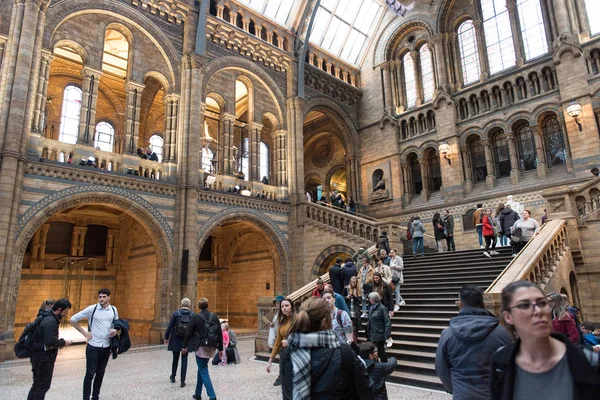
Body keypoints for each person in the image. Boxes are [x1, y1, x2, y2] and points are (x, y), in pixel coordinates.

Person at [490, 280, 600, 399]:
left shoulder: (590, 362)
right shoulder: (500, 363)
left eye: (542, 303)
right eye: (525, 305)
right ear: (508, 317)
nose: (538, 311)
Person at [279, 297, 373, 399]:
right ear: (325, 321)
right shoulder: (344, 353)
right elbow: (367, 390)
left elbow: (287, 393)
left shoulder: (287, 353)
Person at [434, 285, 511, 400]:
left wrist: (454, 388)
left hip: (462, 394)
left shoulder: (447, 334)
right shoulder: (502, 333)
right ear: (483, 305)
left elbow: (441, 368)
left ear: (460, 305)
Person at [70, 288, 119, 400]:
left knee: (100, 373)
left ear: (108, 297)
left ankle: (95, 396)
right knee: (90, 373)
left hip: (106, 346)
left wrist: (115, 330)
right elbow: (73, 319)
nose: (101, 299)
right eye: (100, 297)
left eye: (104, 297)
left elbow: (116, 323)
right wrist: (85, 333)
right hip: (93, 346)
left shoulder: (113, 309)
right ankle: (86, 397)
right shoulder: (92, 309)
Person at [28, 299, 72, 400]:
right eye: (65, 312)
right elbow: (50, 341)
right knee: (42, 386)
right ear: (60, 310)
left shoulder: (45, 316)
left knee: (37, 385)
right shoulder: (51, 321)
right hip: (44, 358)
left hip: (37, 356)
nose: (65, 315)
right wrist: (64, 342)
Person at [182, 297, 223, 400]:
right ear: (208, 305)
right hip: (211, 347)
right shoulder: (214, 316)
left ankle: (212, 396)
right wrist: (221, 349)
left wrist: (184, 347)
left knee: (203, 370)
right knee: (202, 367)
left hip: (200, 348)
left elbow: (188, 334)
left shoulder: (196, 318)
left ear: (198, 307)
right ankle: (198, 393)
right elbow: (220, 333)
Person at [164, 297, 193, 387]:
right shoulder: (192, 315)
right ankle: (182, 381)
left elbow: (170, 326)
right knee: (184, 359)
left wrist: (166, 337)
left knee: (175, 358)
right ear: (189, 305)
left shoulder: (176, 314)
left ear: (181, 304)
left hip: (175, 338)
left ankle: (173, 376)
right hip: (186, 340)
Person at [267, 298, 296, 386]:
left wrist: (290, 342)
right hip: (285, 353)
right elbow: (278, 341)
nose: (284, 308)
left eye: (286, 306)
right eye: (282, 306)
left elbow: (304, 337)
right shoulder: (282, 321)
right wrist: (270, 360)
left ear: (292, 307)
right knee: (286, 383)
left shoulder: (298, 319)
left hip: (295, 354)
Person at [367, 292, 392, 362]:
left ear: (374, 299)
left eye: (370, 299)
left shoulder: (382, 308)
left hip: (379, 333)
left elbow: (387, 322)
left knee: (381, 351)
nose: (369, 300)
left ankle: (385, 365)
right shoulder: (372, 307)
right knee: (374, 351)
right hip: (372, 332)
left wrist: (387, 335)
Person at [343, 276, 363, 341]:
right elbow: (341, 297)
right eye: (352, 282)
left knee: (356, 326)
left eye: (354, 282)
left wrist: (355, 296)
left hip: (355, 311)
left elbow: (360, 300)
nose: (353, 284)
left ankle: (355, 339)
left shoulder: (358, 289)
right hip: (348, 310)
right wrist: (346, 297)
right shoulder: (346, 288)